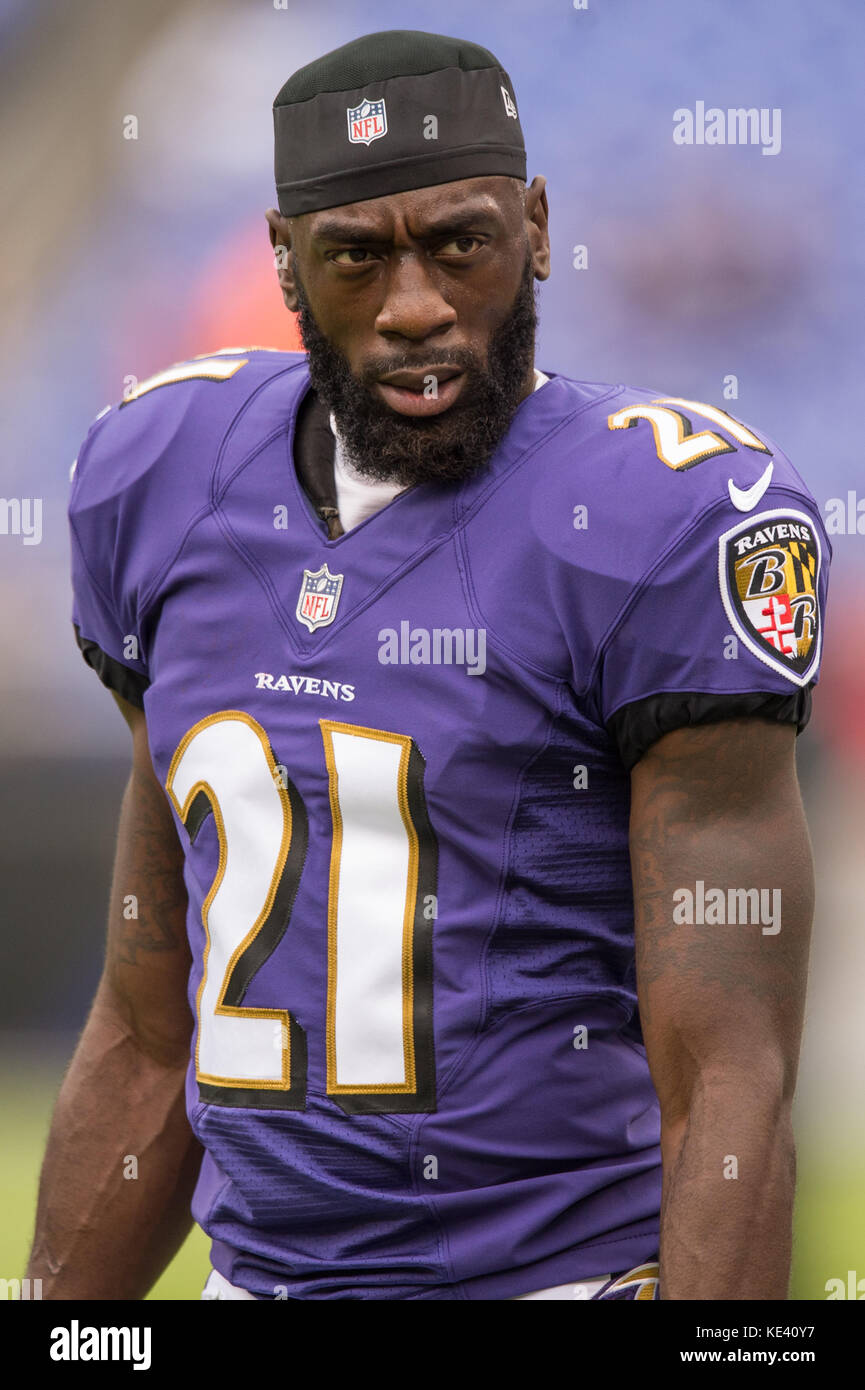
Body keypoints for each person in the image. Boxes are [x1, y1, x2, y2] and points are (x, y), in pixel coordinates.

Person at [29, 28, 828, 1301]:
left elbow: (730, 1075)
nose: (416, 308)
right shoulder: (161, 475)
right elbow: (146, 1030)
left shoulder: (658, 516)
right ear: (285, 264)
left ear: (539, 228)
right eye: (356, 256)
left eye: (460, 241)